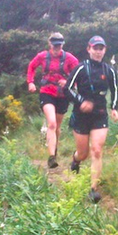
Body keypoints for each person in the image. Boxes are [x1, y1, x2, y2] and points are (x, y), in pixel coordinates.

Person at [64, 35, 118, 204]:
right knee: (83, 153)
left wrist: (114, 108)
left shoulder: (109, 70)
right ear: (89, 49)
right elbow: (66, 88)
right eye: (95, 48)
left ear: (105, 50)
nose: (98, 51)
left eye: (101, 48)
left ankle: (93, 189)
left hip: (100, 114)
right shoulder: (81, 68)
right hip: (81, 116)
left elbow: (115, 90)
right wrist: (81, 102)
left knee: (97, 150)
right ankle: (75, 160)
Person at [26, 32, 80, 168]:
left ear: (63, 45)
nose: (57, 49)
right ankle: (51, 157)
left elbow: (79, 74)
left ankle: (54, 149)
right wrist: (30, 82)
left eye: (60, 46)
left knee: (57, 126)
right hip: (47, 92)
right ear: (50, 44)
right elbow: (31, 67)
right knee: (51, 123)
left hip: (62, 95)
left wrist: (68, 82)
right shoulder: (42, 56)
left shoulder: (70, 59)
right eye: (55, 46)